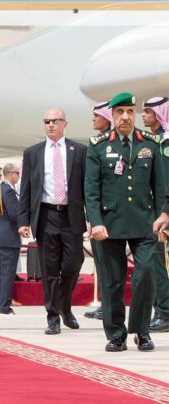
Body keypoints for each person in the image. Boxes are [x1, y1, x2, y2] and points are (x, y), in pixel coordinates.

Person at [85, 92, 164, 352]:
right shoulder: (98, 146)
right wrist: (95, 222)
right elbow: (91, 190)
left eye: (130, 111)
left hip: (145, 222)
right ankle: (116, 334)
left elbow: (161, 185)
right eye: (119, 112)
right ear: (112, 115)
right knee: (112, 281)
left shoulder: (150, 144)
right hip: (109, 224)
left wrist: (164, 215)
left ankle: (141, 331)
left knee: (146, 275)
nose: (126, 117)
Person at [17, 108, 87, 335]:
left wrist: (94, 219)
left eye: (55, 121)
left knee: (72, 265)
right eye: (46, 121)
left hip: (71, 216)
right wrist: (24, 220)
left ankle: (65, 307)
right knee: (49, 270)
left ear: (65, 123)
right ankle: (53, 317)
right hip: (46, 216)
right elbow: (26, 188)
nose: (50, 125)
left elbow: (88, 189)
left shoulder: (80, 151)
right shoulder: (33, 153)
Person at [142, 96, 169, 332]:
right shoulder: (153, 140)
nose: (143, 115)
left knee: (162, 264)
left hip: (164, 213)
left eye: (148, 112)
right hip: (155, 211)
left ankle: (165, 312)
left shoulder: (165, 142)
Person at [85, 102, 113, 321]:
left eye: (97, 116)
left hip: (113, 215)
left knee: (111, 264)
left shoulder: (114, 143)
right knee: (101, 263)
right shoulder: (97, 143)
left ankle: (111, 305)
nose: (93, 120)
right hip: (98, 215)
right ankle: (105, 304)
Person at [0, 163, 21, 314]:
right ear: (11, 174)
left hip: (0, 235)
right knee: (7, 274)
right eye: (17, 173)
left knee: (1, 274)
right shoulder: (8, 190)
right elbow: (14, 214)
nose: (18, 176)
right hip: (9, 236)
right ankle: (4, 307)